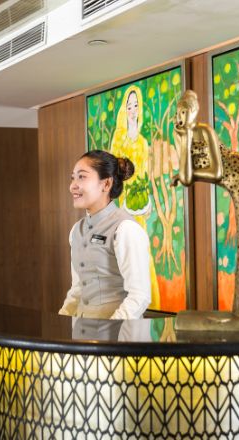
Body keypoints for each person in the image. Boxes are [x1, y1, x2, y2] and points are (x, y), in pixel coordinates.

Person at [59, 150, 151, 320]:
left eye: (82, 177)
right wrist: (61, 325)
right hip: (81, 336)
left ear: (106, 184)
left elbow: (140, 296)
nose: (73, 185)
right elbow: (78, 289)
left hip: (116, 338)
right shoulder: (76, 231)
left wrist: (110, 333)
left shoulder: (126, 229)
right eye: (73, 178)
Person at [109, 85, 161, 310]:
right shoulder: (119, 139)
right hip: (123, 205)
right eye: (129, 105)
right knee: (125, 250)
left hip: (141, 205)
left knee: (142, 249)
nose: (132, 109)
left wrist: (146, 201)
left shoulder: (142, 142)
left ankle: (149, 302)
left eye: (136, 105)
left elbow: (147, 174)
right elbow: (112, 176)